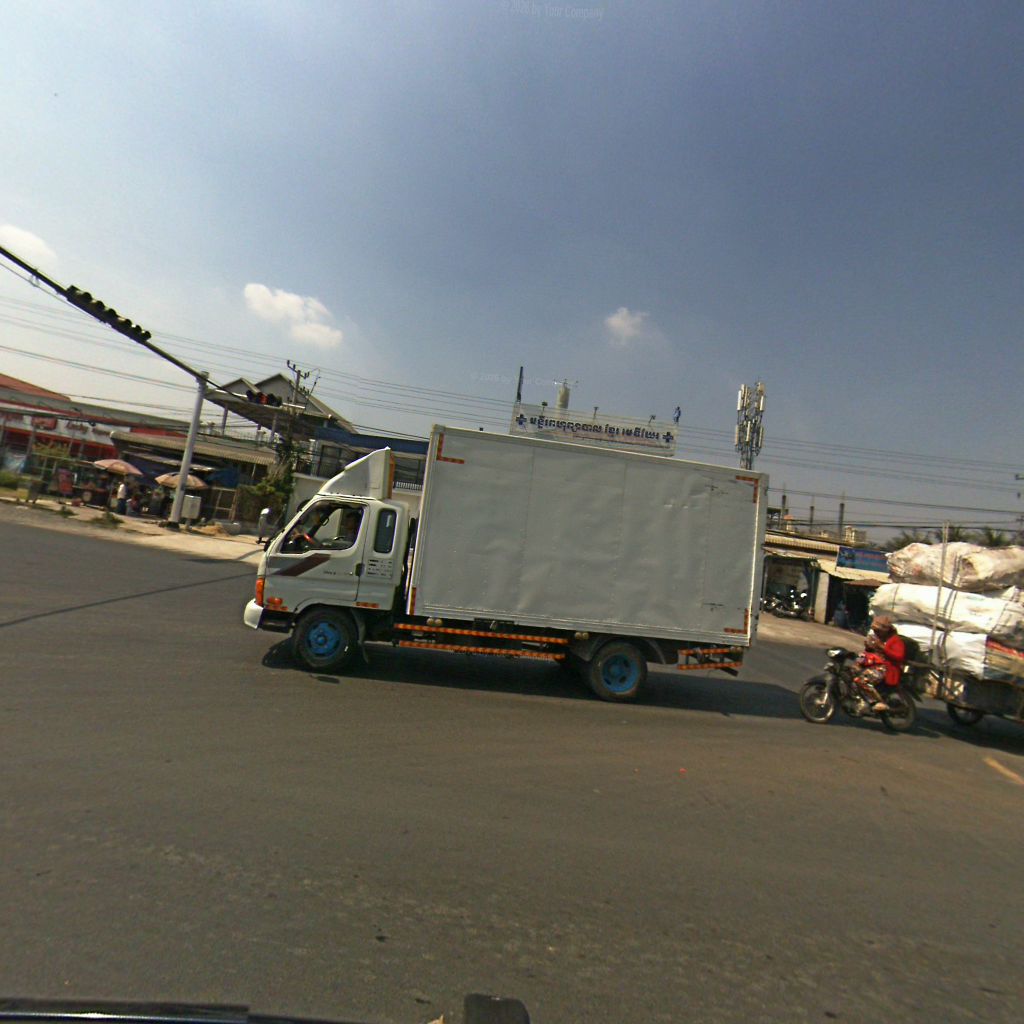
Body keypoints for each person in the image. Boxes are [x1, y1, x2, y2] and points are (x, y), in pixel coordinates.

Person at [853, 615, 907, 712]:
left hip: (887, 668)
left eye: (878, 631)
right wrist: (860, 659)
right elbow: (867, 653)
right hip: (873, 664)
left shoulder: (895, 640)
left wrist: (883, 647)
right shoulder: (875, 638)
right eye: (874, 630)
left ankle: (876, 702)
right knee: (852, 674)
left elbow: (899, 656)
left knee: (861, 680)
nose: (875, 632)